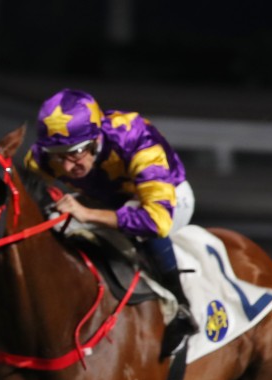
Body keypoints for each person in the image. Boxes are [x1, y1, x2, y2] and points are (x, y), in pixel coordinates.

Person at [24, 88, 198, 357]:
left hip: (169, 199)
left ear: (95, 140)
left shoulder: (136, 137)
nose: (67, 167)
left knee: (135, 218)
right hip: (108, 199)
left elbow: (156, 221)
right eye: (58, 155)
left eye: (75, 153)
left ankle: (182, 309)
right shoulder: (42, 159)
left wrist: (88, 214)